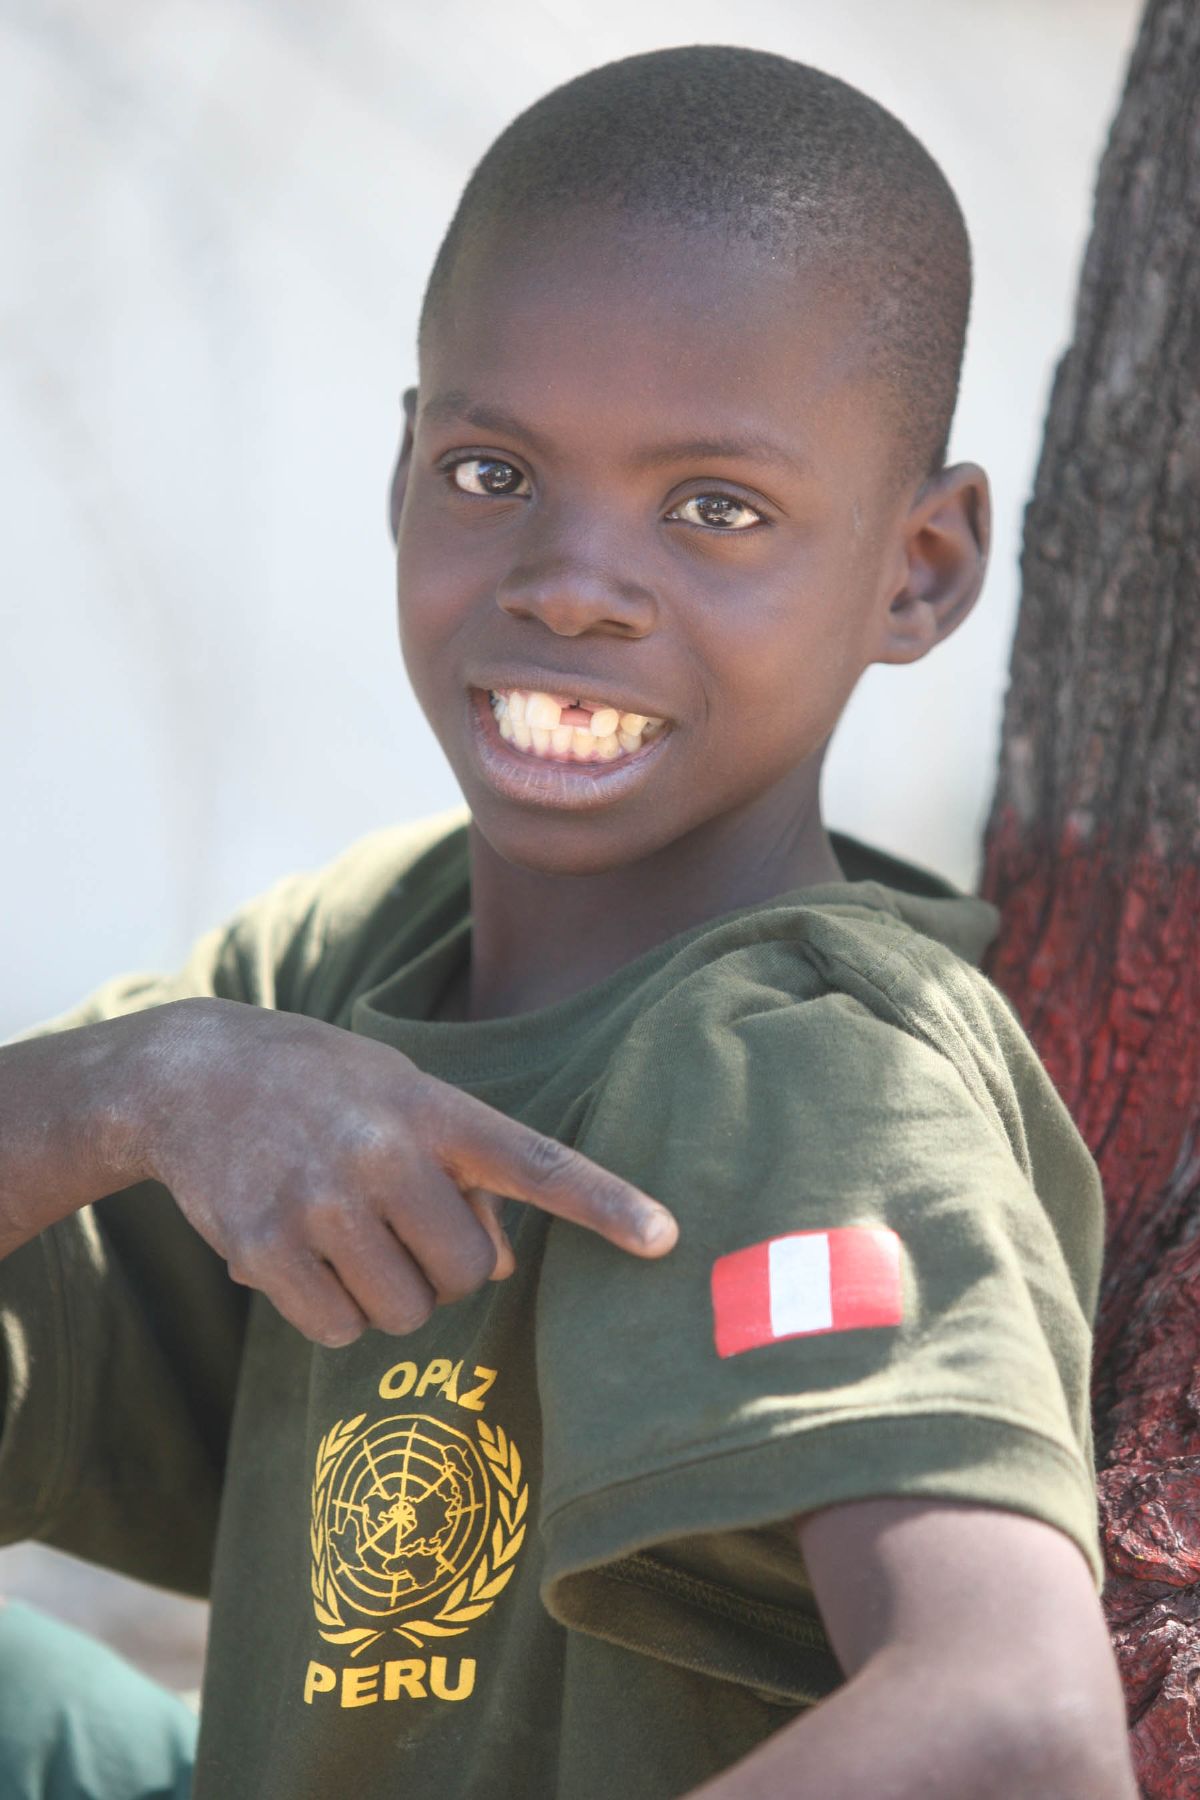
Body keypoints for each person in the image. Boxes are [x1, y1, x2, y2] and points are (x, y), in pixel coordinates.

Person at [0, 44, 1138, 1800]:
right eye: (493, 473)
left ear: (918, 569)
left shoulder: (800, 1060)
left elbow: (1012, 1728)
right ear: (404, 474)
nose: (570, 582)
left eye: (714, 509)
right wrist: (138, 1083)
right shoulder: (353, 964)